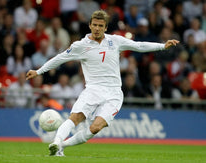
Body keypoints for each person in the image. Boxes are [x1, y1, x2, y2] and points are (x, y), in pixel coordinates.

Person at [26, 10, 179, 156]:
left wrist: (162, 46)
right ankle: (56, 141)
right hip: (93, 90)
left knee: (95, 127)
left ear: (105, 27)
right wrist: (39, 72)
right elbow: (59, 58)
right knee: (75, 118)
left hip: (114, 93)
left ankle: (61, 146)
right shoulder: (80, 46)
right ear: (90, 25)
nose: (97, 28)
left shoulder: (115, 40)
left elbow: (138, 46)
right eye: (95, 25)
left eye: (101, 26)